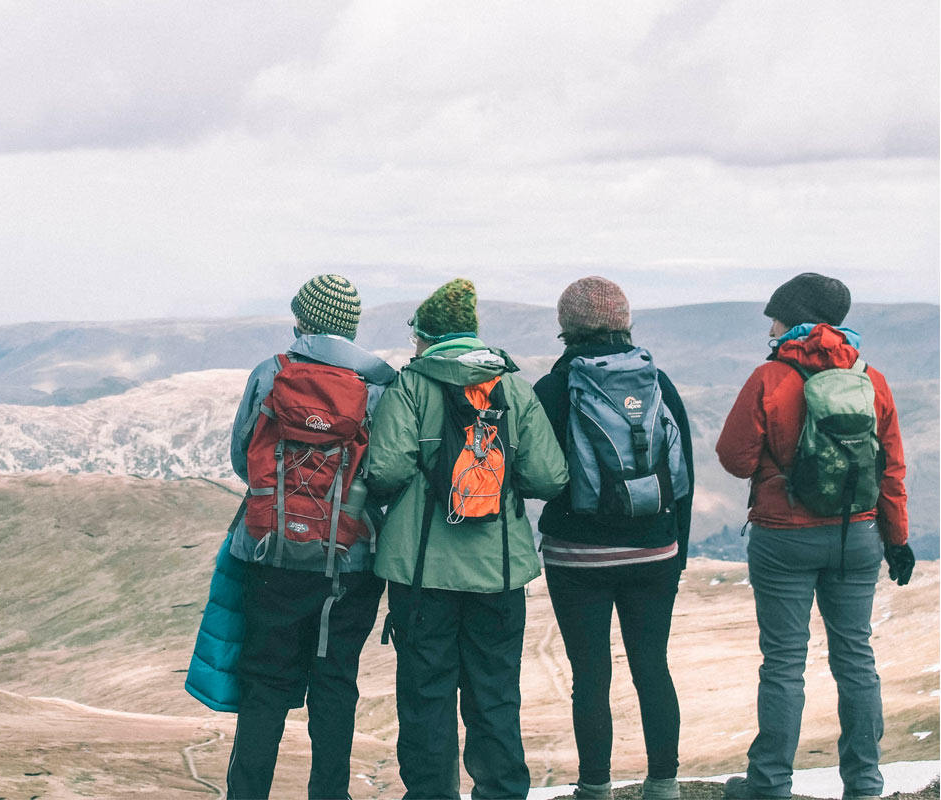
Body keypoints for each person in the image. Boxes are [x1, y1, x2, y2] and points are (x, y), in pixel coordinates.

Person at [188, 274, 397, 800]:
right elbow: (389, 472)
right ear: (349, 326)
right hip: (350, 562)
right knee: (334, 683)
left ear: (302, 320)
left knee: (265, 685)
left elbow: (244, 457)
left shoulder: (271, 373)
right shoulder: (379, 387)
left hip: (271, 555)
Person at [366, 278, 568, 800]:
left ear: (427, 336)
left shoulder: (411, 386)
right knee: (495, 694)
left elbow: (385, 471)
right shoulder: (514, 389)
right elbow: (549, 478)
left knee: (426, 695)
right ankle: (501, 792)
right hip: (497, 574)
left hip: (420, 574)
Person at [716, 272, 914, 800]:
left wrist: (776, 467)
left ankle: (770, 785)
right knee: (856, 658)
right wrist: (896, 540)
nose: (771, 325)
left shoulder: (770, 377)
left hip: (784, 537)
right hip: (858, 535)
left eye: (776, 317)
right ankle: (866, 784)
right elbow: (890, 469)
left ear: (795, 319)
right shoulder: (872, 379)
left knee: (784, 662)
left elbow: (734, 460)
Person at [532, 277, 694, 800]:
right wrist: (677, 552)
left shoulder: (553, 390)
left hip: (577, 558)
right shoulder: (658, 383)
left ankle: (595, 788)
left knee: (590, 674)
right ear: (625, 322)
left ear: (567, 328)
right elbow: (682, 474)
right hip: (655, 552)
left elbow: (538, 475)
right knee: (653, 667)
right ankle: (664, 784)